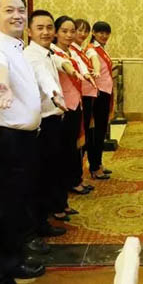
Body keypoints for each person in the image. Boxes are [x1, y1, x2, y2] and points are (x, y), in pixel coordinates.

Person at [0, 0, 46, 282]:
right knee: (2, 208)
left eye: (21, 10)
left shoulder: (18, 47)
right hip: (5, 138)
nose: (17, 16)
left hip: (24, 138)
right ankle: (0, 275)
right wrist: (1, 84)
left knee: (17, 203)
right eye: (9, 10)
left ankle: (14, 261)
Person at [23, 10, 72, 229]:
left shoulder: (47, 52)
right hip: (44, 121)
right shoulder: (31, 56)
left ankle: (54, 208)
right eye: (40, 28)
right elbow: (44, 79)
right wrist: (55, 94)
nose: (46, 32)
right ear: (29, 31)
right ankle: (40, 224)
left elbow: (61, 63)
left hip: (55, 118)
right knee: (43, 173)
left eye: (49, 27)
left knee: (54, 168)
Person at [52, 16, 94, 196]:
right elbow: (66, 67)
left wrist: (87, 74)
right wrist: (75, 73)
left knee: (76, 145)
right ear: (56, 33)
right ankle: (70, 181)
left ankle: (76, 178)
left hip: (76, 103)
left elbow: (82, 68)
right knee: (67, 146)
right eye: (64, 31)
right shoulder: (53, 52)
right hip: (64, 106)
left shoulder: (71, 51)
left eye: (72, 31)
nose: (69, 35)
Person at [69, 19, 99, 185]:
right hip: (77, 99)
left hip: (87, 97)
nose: (82, 34)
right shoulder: (71, 51)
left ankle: (78, 176)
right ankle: (76, 178)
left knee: (85, 137)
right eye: (79, 30)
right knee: (79, 140)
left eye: (85, 31)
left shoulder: (81, 50)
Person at [86, 21, 115, 179]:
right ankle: (95, 166)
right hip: (98, 95)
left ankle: (98, 163)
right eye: (100, 32)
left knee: (101, 131)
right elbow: (95, 63)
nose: (104, 36)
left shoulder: (101, 48)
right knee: (96, 132)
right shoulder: (92, 49)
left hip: (105, 93)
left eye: (106, 33)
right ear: (94, 33)